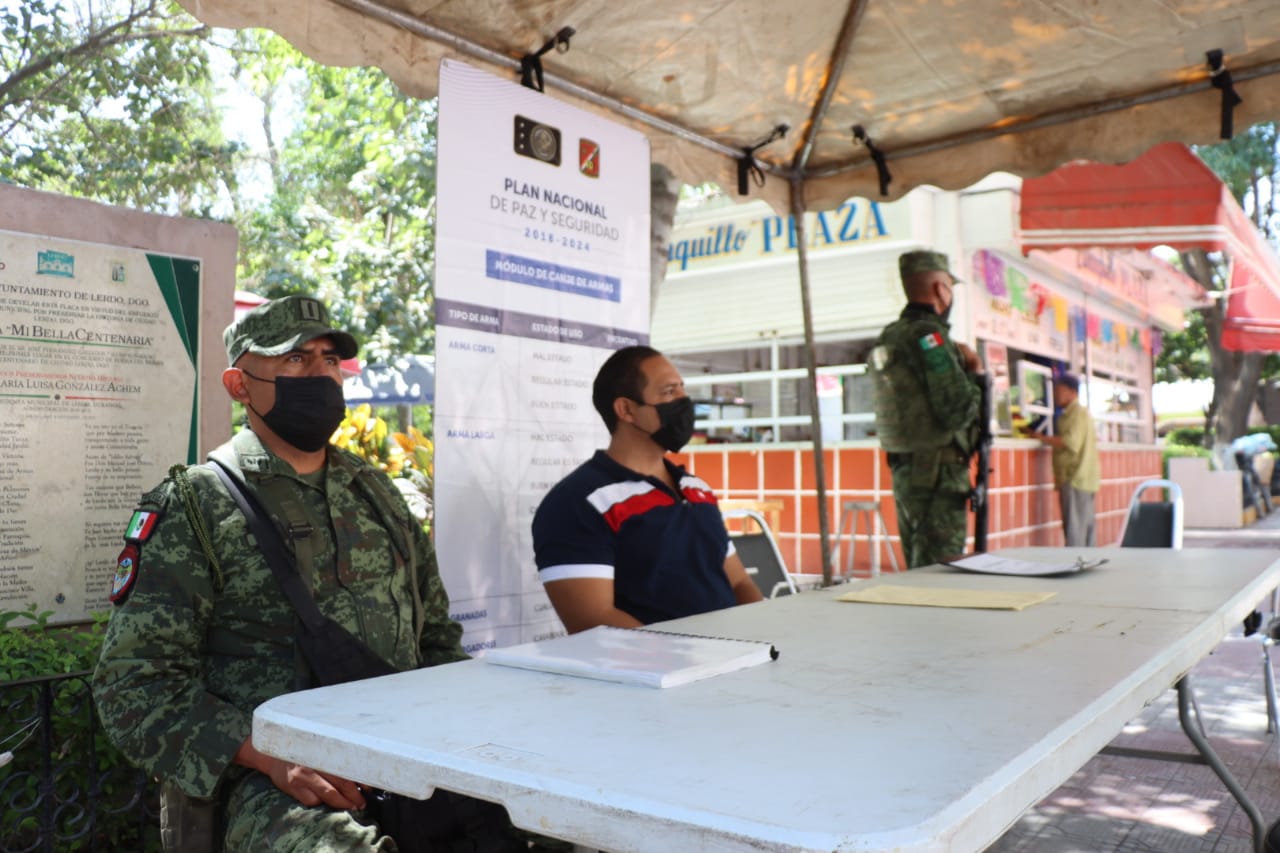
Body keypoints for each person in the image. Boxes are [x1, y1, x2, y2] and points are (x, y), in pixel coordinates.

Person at [91, 295, 482, 852]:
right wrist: (270, 756)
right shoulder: (196, 506)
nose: (319, 374)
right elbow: (134, 686)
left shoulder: (376, 494)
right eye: (294, 360)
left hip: (410, 760)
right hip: (273, 786)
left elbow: (436, 640)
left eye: (328, 360)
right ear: (239, 385)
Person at [531, 345, 763, 633]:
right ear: (626, 409)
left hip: (734, 662)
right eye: (669, 392)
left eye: (682, 389)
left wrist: (763, 635)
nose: (684, 402)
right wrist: (695, 657)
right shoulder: (577, 503)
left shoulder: (696, 489)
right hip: (661, 673)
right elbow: (593, 620)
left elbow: (739, 582)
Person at [868, 250, 985, 568]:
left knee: (919, 570)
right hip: (940, 476)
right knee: (940, 573)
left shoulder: (890, 335)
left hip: (907, 472)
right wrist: (975, 371)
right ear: (940, 289)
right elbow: (957, 409)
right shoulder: (929, 337)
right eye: (949, 286)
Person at [1035, 372, 1100, 546]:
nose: (1056, 395)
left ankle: (1077, 566)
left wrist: (1041, 438)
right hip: (1082, 479)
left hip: (1075, 478)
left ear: (1072, 392)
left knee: (1075, 532)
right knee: (1084, 529)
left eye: (1059, 390)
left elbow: (1071, 442)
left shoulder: (1077, 413)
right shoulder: (1077, 413)